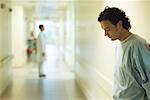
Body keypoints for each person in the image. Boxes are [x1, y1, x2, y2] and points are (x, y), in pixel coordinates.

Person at [98, 7, 150, 100]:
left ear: (119, 24)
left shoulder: (138, 44)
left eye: (107, 29)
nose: (105, 34)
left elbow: (148, 79)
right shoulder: (119, 47)